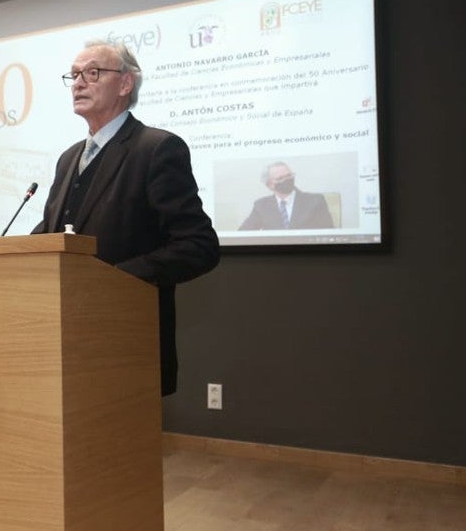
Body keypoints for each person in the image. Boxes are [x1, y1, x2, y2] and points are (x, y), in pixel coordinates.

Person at [31, 40, 219, 396]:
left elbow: (199, 247)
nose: (78, 83)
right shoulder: (68, 158)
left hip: (126, 340)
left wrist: (114, 280)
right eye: (73, 75)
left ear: (125, 83)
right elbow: (53, 233)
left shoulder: (157, 149)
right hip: (61, 341)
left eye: (92, 73)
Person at [238, 161, 334, 230]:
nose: (287, 180)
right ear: (269, 185)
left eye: (289, 176)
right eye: (280, 178)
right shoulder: (261, 206)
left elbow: (328, 234)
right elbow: (243, 234)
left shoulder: (315, 201)